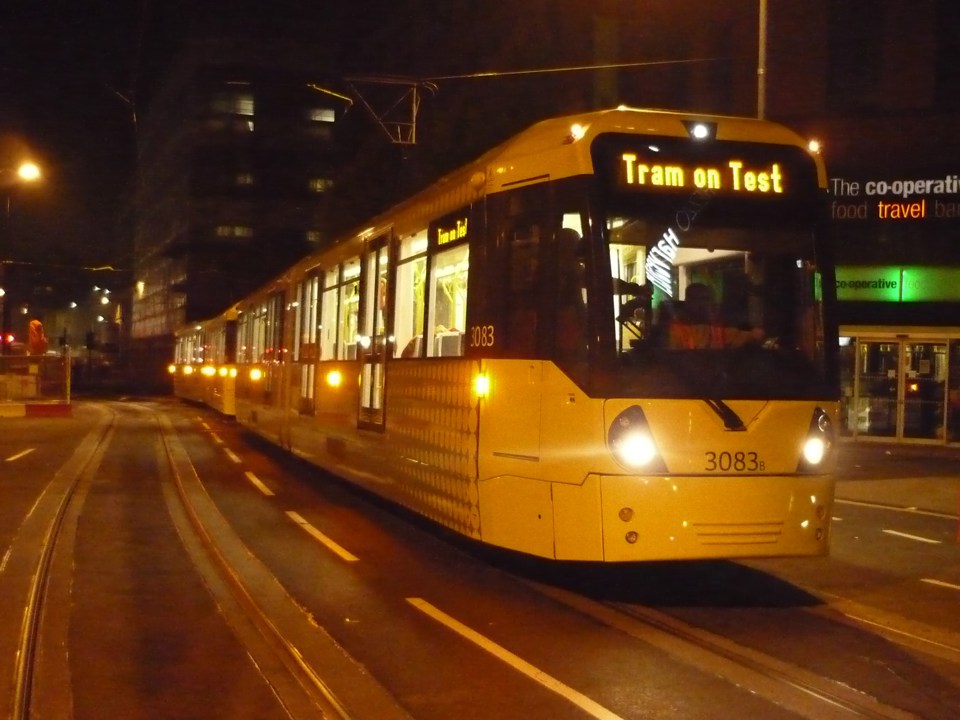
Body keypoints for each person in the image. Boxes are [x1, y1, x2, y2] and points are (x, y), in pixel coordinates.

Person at [668, 282, 763, 349]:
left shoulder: (715, 329)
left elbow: (747, 336)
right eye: (701, 299)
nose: (705, 304)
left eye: (707, 299)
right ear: (688, 301)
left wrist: (756, 334)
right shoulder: (675, 329)